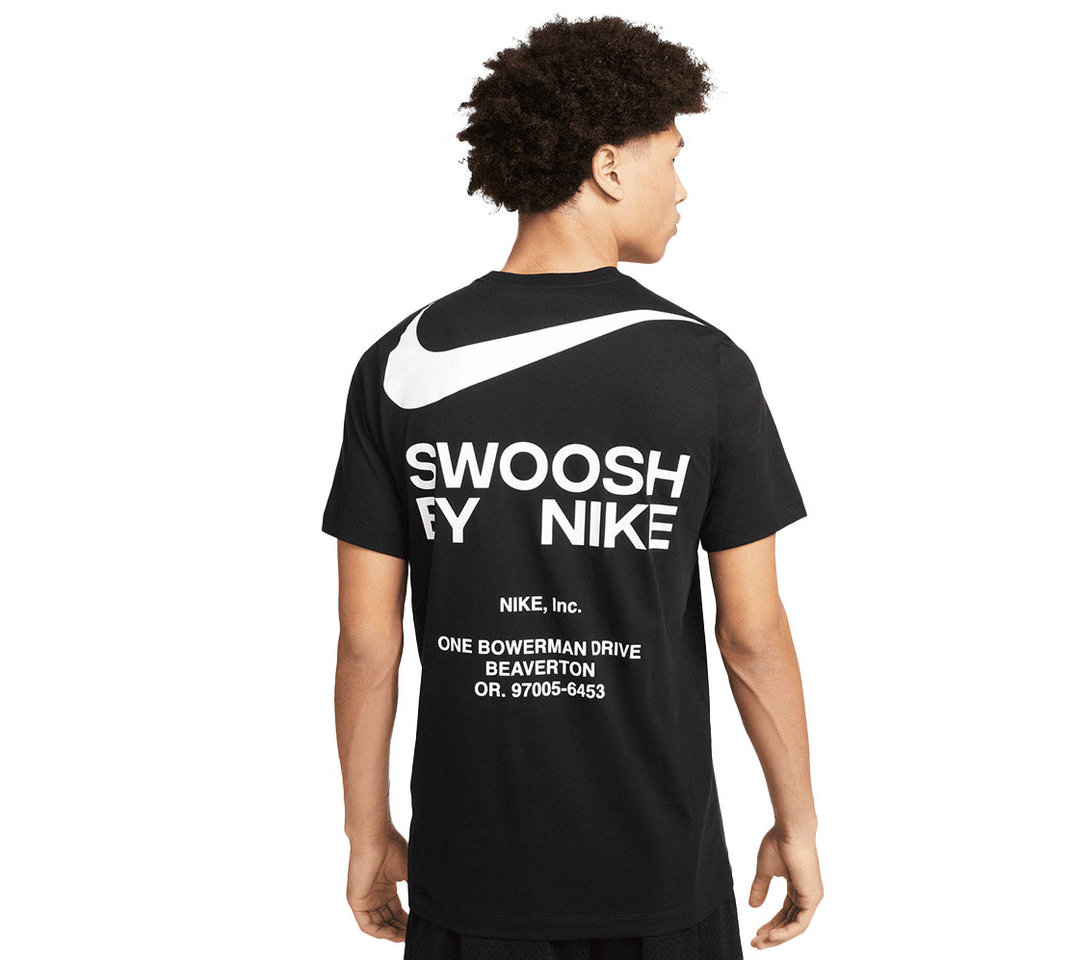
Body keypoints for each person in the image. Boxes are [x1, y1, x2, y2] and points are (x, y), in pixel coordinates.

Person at [322, 14, 822, 958]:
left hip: (471, 873)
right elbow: (752, 634)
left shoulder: (398, 365)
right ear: (608, 168)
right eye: (672, 157)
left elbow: (365, 640)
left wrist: (366, 831)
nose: (683, 188)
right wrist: (797, 822)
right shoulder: (705, 368)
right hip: (658, 873)